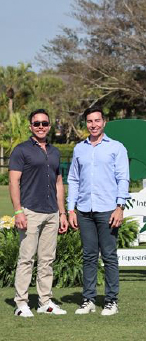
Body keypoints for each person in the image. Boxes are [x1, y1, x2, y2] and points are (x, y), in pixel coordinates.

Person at [67, 107, 130, 316]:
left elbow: (123, 178)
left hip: (108, 209)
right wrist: (71, 209)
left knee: (110, 256)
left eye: (97, 120)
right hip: (84, 210)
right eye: (89, 121)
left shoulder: (117, 148)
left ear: (104, 122)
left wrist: (120, 207)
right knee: (89, 256)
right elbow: (73, 180)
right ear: (86, 124)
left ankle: (111, 301)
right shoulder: (79, 149)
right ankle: (88, 300)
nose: (93, 124)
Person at [9, 109, 69, 317]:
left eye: (44, 123)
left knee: (47, 260)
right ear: (30, 126)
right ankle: (21, 304)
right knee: (26, 259)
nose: (41, 126)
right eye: (37, 123)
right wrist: (18, 211)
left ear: (50, 126)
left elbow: (58, 182)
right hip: (30, 211)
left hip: (52, 212)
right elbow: (14, 182)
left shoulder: (54, 152)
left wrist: (62, 213)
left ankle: (45, 301)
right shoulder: (21, 150)